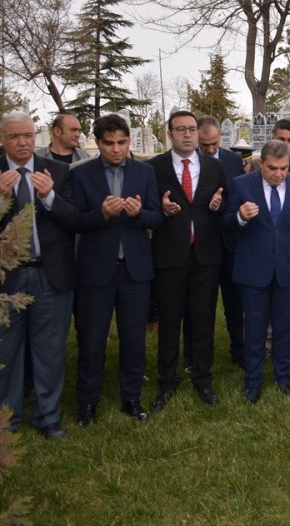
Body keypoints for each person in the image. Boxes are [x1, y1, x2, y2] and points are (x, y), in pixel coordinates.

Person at [72, 114, 163, 426]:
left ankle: (131, 397)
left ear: (129, 142)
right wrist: (101, 214)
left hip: (135, 271)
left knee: (134, 339)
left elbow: (157, 218)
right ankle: (87, 402)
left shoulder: (144, 172)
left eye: (121, 142)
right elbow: (74, 222)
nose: (115, 149)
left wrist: (139, 214)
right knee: (92, 341)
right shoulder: (82, 175)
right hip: (95, 271)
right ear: (98, 143)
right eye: (109, 143)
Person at [0, 112, 77, 439]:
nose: (23, 142)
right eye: (15, 136)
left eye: (29, 136)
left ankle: (48, 417)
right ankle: (8, 419)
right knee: (6, 350)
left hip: (50, 274)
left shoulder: (56, 172)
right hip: (8, 277)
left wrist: (49, 197)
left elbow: (76, 219)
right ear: (3, 138)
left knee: (49, 350)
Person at [223, 140, 290, 404]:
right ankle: (253, 381)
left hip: (287, 266)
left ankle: (283, 378)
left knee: (285, 326)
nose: (278, 174)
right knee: (254, 327)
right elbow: (226, 222)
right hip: (253, 268)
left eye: (284, 168)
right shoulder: (242, 185)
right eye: (272, 168)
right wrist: (240, 215)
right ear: (261, 163)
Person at [148, 111, 227, 412]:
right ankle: (167, 380)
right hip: (170, 256)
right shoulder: (154, 168)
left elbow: (226, 202)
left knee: (204, 317)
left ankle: (202, 376)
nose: (187, 135)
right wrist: (161, 208)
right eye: (180, 129)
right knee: (169, 320)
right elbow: (147, 206)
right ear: (169, 133)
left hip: (206, 255)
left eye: (191, 129)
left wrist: (219, 206)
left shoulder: (214, 167)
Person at [251, 119, 290, 353]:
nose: (286, 145)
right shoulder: (255, 165)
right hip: (267, 244)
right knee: (267, 294)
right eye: (281, 140)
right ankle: (268, 340)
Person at [197, 115, 248, 369]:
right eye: (204, 145)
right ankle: (198, 355)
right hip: (200, 241)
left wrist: (221, 205)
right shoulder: (189, 161)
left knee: (234, 300)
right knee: (201, 304)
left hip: (229, 241)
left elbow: (236, 198)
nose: (209, 149)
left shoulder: (231, 161)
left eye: (214, 143)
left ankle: (239, 348)